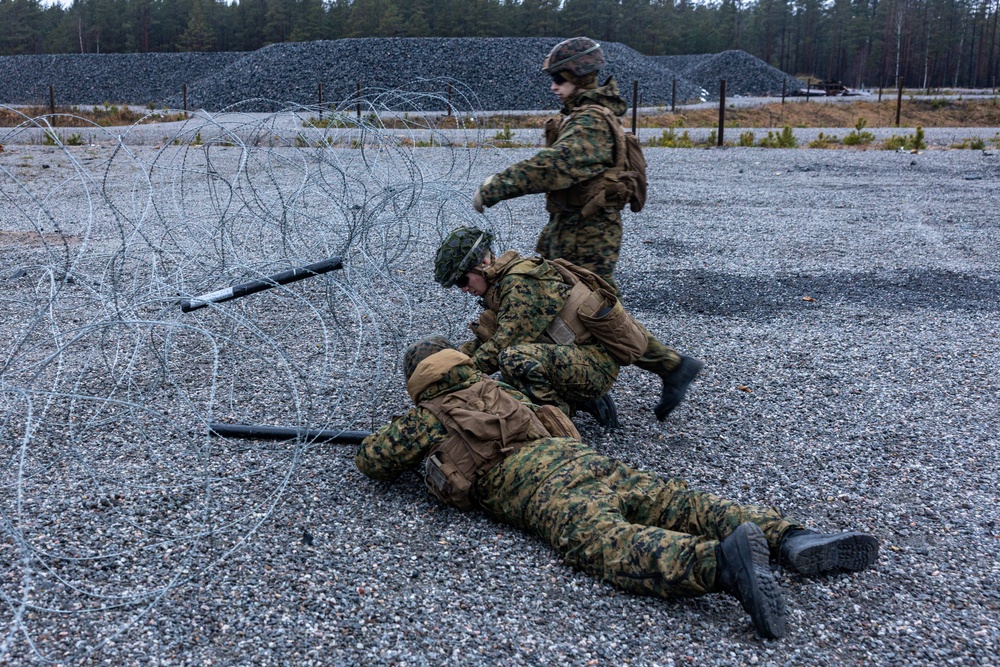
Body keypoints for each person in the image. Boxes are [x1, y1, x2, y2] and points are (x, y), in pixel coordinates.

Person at [355, 336, 880, 639]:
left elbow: (372, 461)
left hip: (540, 488)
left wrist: (413, 434)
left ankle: (721, 564)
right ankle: (791, 537)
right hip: (583, 459)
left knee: (605, 541)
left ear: (419, 382)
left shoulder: (427, 417)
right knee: (673, 499)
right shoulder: (499, 388)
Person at [471, 37, 701, 421]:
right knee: (549, 304)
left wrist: (495, 187)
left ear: (578, 75)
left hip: (589, 232)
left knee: (592, 316)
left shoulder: (591, 121)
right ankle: (660, 369)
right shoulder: (582, 116)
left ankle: (646, 373)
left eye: (559, 78)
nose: (553, 86)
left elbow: (556, 165)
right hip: (567, 226)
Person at [433, 226, 634, 427]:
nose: (464, 289)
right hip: (576, 356)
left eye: (462, 280)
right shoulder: (500, 285)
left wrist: (456, 380)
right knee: (510, 379)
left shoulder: (521, 283)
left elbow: (500, 346)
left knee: (513, 361)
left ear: (483, 263)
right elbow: (488, 339)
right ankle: (575, 397)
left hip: (596, 366)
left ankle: (559, 421)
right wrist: (450, 362)